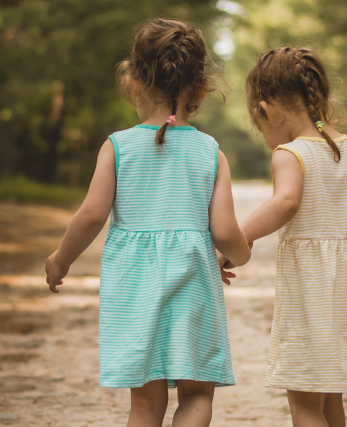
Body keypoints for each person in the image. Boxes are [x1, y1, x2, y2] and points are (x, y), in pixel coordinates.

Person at [43, 18, 251, 427]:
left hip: (133, 289)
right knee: (195, 394)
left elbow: (91, 216)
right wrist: (237, 256)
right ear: (202, 90)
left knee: (144, 404)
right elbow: (226, 232)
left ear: (133, 82)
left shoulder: (117, 147)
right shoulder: (211, 152)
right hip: (194, 286)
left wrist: (60, 259)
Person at [223, 46, 347, 427]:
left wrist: (241, 237)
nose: (266, 137)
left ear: (267, 110)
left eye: (261, 127)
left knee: (305, 401)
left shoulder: (291, 154)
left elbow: (286, 202)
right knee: (329, 396)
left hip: (311, 294)